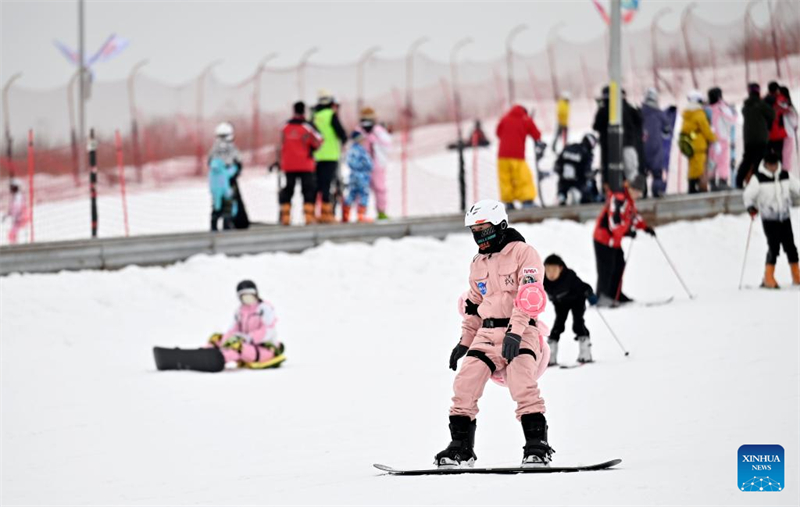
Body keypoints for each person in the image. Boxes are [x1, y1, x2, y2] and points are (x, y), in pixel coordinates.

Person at [437, 199, 553, 468]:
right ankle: (461, 449)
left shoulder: (524, 253)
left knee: (522, 383)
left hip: (521, 330)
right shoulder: (478, 262)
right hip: (487, 334)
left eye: (485, 230)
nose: (480, 237)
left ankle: (537, 446)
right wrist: (464, 341)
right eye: (475, 232)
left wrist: (515, 332)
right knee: (464, 384)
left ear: (501, 226)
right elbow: (473, 305)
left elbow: (530, 295)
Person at [743, 149, 800, 288]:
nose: (773, 167)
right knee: (774, 247)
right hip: (769, 219)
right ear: (765, 163)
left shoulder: (785, 175)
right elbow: (748, 195)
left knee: (791, 246)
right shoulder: (758, 178)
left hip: (784, 217)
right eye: (770, 164)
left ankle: (796, 274)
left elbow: (797, 187)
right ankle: (768, 276)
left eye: (775, 164)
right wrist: (751, 207)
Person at [593, 186, 655, 306]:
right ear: (631, 188)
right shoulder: (619, 200)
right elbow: (614, 224)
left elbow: (633, 217)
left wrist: (645, 228)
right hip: (603, 239)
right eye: (637, 192)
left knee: (619, 264)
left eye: (640, 194)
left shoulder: (629, 201)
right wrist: (628, 232)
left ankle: (615, 294)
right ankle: (602, 297)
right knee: (606, 268)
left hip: (614, 241)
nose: (638, 196)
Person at [207, 280, 286, 369]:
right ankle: (205, 352)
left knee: (238, 349)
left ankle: (217, 359)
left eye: (249, 295)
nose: (247, 299)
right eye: (244, 296)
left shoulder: (264, 308)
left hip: (264, 348)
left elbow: (268, 330)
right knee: (218, 339)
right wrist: (224, 342)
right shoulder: (240, 311)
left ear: (255, 294)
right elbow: (233, 329)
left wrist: (249, 338)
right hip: (247, 344)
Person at [542, 254, 598, 366]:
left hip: (577, 300)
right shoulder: (543, 280)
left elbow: (584, 286)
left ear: (561, 268)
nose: (551, 274)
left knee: (578, 323)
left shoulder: (569, 276)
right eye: (548, 270)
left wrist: (589, 294)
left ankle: (585, 353)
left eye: (554, 270)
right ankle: (550, 356)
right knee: (558, 326)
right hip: (560, 303)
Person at [279, 101, 322, 226]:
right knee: (308, 189)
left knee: (288, 189)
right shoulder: (307, 126)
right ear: (304, 111)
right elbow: (319, 140)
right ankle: (308, 217)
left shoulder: (285, 126)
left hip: (288, 164)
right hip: (305, 164)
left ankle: (286, 216)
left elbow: (282, 143)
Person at [593, 86, 645, 191]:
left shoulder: (604, 110)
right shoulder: (628, 108)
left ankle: (610, 191)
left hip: (609, 148)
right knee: (630, 172)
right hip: (628, 144)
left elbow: (596, 126)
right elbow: (639, 121)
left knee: (610, 171)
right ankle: (631, 191)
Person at [495, 105, 542, 209]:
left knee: (505, 179)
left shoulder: (504, 118)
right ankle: (527, 201)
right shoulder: (525, 119)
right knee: (523, 178)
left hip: (502, 156)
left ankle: (508, 202)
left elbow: (498, 132)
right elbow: (537, 134)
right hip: (517, 155)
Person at [313, 89, 348, 223]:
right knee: (327, 185)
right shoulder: (331, 115)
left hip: (316, 155)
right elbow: (342, 133)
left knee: (317, 186)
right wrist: (343, 141)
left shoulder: (315, 116)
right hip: (331, 156)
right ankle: (327, 213)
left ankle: (313, 214)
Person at [208, 122, 249, 229]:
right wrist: (235, 172)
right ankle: (228, 224)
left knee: (216, 204)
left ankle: (214, 225)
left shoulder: (214, 149)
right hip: (229, 181)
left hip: (216, 183)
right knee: (229, 203)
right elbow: (238, 161)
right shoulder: (231, 148)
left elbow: (209, 162)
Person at [737, 83, 775, 188]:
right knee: (759, 161)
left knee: (747, 160)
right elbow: (772, 114)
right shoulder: (761, 104)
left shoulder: (746, 106)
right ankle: (755, 181)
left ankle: (739, 181)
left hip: (748, 139)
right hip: (761, 138)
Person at [357, 107, 392, 220]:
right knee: (361, 188)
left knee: (380, 187)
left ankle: (381, 211)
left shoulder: (378, 130)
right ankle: (361, 213)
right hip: (362, 165)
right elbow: (354, 146)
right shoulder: (358, 131)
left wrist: (374, 138)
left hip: (376, 163)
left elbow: (387, 144)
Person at [679, 90, 717, 193]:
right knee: (699, 168)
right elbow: (706, 129)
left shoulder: (687, 114)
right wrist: (714, 139)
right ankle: (693, 187)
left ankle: (691, 187)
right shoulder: (699, 114)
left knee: (692, 166)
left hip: (689, 144)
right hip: (698, 145)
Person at [641, 88, 672, 197]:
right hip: (655, 146)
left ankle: (642, 191)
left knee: (642, 171)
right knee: (657, 171)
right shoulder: (659, 113)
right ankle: (657, 191)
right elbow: (667, 128)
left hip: (642, 145)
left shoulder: (640, 112)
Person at [705, 87, 737, 190]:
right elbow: (732, 120)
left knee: (711, 161)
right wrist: (734, 111)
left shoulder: (706, 109)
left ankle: (712, 182)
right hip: (722, 138)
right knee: (723, 161)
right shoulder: (722, 107)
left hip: (710, 139)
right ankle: (723, 181)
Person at [553, 133, 597, 205]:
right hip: (578, 181)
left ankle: (561, 195)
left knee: (563, 188)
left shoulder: (569, 147)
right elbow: (587, 172)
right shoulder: (586, 153)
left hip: (564, 180)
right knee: (589, 187)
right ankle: (590, 197)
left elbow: (557, 165)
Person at [342, 131, 374, 223]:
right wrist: (367, 167)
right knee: (364, 194)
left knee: (351, 194)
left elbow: (348, 162)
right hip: (362, 176)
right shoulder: (361, 150)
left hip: (353, 176)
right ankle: (361, 216)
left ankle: (345, 215)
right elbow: (368, 163)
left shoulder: (351, 150)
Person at [208, 157, 239, 231]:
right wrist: (236, 165)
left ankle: (214, 226)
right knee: (227, 210)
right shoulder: (223, 172)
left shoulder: (211, 173)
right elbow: (232, 171)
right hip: (226, 194)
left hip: (216, 195)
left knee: (216, 210)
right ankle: (226, 225)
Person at [765, 81, 789, 166]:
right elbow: (786, 110)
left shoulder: (764, 100)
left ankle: (769, 171)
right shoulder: (780, 99)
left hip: (767, 133)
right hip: (778, 133)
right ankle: (780, 171)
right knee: (779, 156)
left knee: (768, 157)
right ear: (777, 90)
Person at [2, 178, 29, 244]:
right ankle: (14, 245)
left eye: (11, 187)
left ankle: (14, 246)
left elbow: (18, 208)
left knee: (12, 234)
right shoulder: (16, 196)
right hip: (17, 218)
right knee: (12, 234)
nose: (10, 189)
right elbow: (13, 209)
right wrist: (7, 215)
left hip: (20, 218)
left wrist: (17, 216)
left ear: (15, 187)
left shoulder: (18, 196)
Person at [779, 86, 798, 175]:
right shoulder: (787, 105)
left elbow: (795, 121)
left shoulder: (785, 105)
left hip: (785, 133)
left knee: (785, 155)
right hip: (787, 133)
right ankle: (785, 173)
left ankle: (785, 173)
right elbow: (795, 122)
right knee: (786, 155)